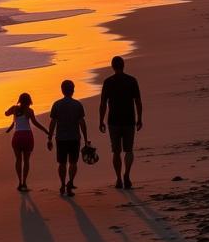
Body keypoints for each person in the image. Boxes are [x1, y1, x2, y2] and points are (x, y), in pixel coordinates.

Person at [99, 56, 143, 189]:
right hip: (129, 120)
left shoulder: (108, 82)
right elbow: (138, 102)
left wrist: (101, 120)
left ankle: (118, 178)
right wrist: (140, 118)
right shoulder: (131, 80)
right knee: (129, 150)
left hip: (113, 121)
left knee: (116, 151)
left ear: (112, 66)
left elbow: (103, 104)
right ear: (123, 66)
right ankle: (127, 175)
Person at [46, 79, 90, 197]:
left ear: (62, 90)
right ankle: (70, 183)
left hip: (61, 139)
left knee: (62, 163)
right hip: (74, 138)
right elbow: (82, 123)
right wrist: (86, 139)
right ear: (73, 90)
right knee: (73, 163)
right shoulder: (77, 105)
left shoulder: (57, 104)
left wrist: (49, 138)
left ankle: (62, 184)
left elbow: (53, 123)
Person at [4, 92, 48, 192]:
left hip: (17, 136)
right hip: (27, 136)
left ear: (20, 100)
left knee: (18, 160)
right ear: (29, 101)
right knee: (26, 161)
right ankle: (24, 183)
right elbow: (35, 123)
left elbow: (6, 113)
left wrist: (12, 109)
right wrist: (46, 131)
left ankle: (19, 183)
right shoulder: (30, 111)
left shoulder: (14, 109)